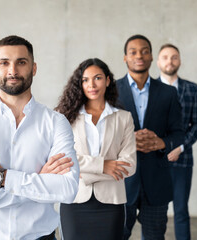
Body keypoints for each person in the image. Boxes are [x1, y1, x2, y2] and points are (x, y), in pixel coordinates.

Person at [0, 35, 79, 240]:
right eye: (4, 63)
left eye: (21, 62)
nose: (13, 70)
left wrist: (1, 178)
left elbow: (67, 190)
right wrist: (39, 184)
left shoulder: (56, 122)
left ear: (34, 68)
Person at [56, 58, 137, 240]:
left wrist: (83, 171)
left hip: (111, 204)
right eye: (85, 80)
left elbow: (129, 165)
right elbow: (63, 160)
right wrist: (104, 166)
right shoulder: (65, 118)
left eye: (97, 78)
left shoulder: (123, 118)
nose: (91, 84)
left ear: (108, 81)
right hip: (74, 201)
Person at [116, 35, 184, 240]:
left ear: (152, 56)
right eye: (133, 52)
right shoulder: (111, 92)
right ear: (125, 58)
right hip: (121, 182)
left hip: (157, 182)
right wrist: (128, 140)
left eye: (145, 51)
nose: (139, 56)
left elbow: (179, 132)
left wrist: (162, 142)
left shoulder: (168, 93)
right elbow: (101, 133)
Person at [157, 44, 197, 240]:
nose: (170, 61)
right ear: (158, 62)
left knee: (181, 211)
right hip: (155, 161)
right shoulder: (149, 89)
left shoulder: (192, 89)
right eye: (165, 57)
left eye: (174, 57)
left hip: (182, 161)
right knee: (153, 214)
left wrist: (181, 147)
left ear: (180, 61)